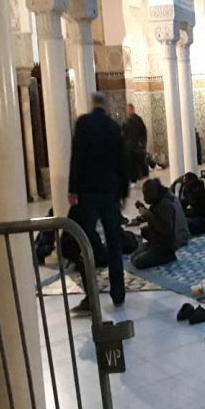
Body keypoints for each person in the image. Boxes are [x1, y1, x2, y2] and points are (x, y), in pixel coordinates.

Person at [68, 93, 128, 314]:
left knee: (84, 240)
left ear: (92, 105)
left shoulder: (83, 123)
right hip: (110, 193)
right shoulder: (113, 126)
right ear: (105, 106)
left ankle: (91, 296)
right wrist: (123, 193)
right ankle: (118, 294)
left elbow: (76, 157)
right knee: (115, 243)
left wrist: (72, 189)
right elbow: (123, 161)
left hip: (89, 193)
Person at [131, 179, 178, 269]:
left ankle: (167, 257)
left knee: (138, 262)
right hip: (155, 242)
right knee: (133, 257)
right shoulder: (156, 203)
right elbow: (155, 217)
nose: (144, 198)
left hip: (164, 247)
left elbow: (166, 229)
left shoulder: (165, 204)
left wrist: (148, 216)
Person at [122, 103, 148, 184]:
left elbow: (143, 132)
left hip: (137, 146)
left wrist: (142, 143)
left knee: (138, 163)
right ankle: (132, 179)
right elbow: (124, 134)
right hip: (129, 147)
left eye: (131, 109)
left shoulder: (138, 120)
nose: (129, 111)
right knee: (130, 164)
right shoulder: (126, 121)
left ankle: (140, 177)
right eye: (128, 110)